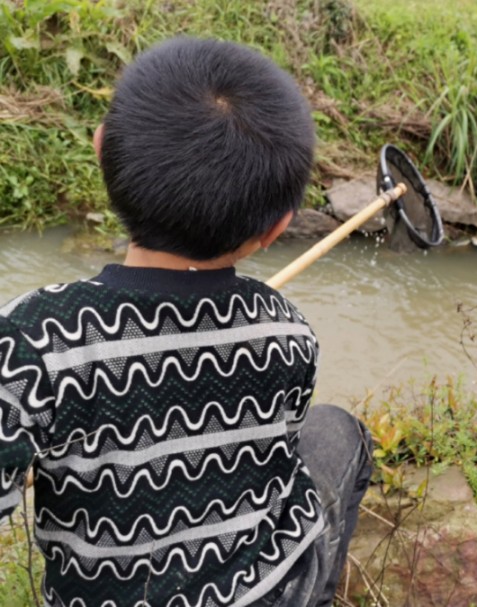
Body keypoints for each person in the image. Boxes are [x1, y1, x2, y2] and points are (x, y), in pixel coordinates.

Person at [0, 37, 371, 607]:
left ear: (100, 150)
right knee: (339, 431)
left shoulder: (34, 336)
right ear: (275, 231)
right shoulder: (290, 332)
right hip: (267, 590)